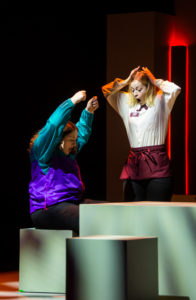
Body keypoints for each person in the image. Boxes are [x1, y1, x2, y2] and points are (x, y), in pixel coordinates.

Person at [102, 66, 181, 202]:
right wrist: (126, 81)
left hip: (157, 163)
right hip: (134, 164)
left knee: (157, 211)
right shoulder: (127, 104)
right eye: (132, 90)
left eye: (139, 89)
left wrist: (155, 81)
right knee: (133, 211)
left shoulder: (161, 100)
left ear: (148, 88)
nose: (135, 93)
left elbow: (176, 89)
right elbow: (106, 90)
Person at [28, 90, 100, 234]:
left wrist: (88, 112)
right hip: (48, 209)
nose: (76, 144)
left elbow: (83, 134)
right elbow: (53, 126)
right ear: (59, 140)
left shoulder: (69, 153)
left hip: (71, 203)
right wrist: (72, 101)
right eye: (71, 141)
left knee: (113, 211)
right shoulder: (42, 152)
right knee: (93, 221)